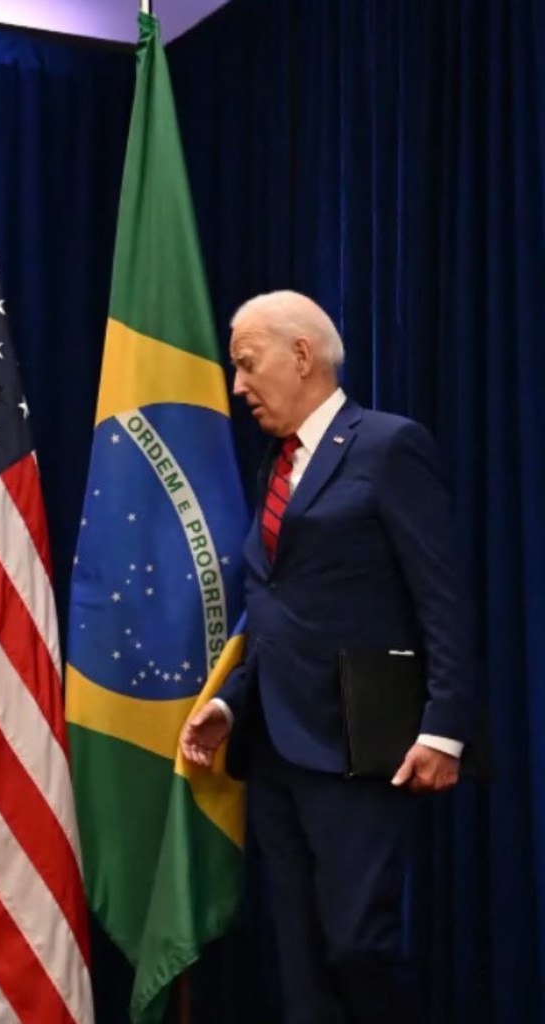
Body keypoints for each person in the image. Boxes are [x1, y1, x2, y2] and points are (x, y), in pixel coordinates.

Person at [180, 291, 476, 1024]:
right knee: (302, 967)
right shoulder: (276, 469)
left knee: (357, 946)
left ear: (302, 356)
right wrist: (229, 704)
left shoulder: (387, 446)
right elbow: (282, 616)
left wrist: (445, 728)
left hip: (360, 745)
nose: (237, 386)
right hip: (277, 750)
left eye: (247, 366)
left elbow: (443, 598)